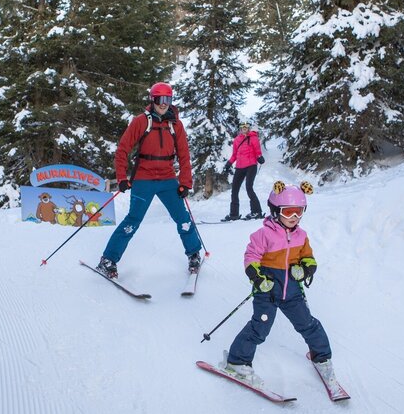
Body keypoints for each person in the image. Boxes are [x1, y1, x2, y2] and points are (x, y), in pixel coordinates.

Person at [221, 181, 337, 387]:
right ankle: (237, 362)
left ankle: (322, 358)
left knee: (308, 324)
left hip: (292, 292)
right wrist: (257, 277)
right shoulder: (264, 234)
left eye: (299, 212)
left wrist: (307, 268)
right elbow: (251, 256)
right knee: (260, 327)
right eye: (289, 212)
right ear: (275, 210)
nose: (294, 218)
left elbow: (309, 257)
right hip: (267, 292)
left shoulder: (302, 236)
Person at [96, 82, 203, 278]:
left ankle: (194, 254)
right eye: (160, 99)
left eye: (168, 100)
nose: (164, 104)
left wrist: (185, 182)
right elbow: (123, 150)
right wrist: (122, 177)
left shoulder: (175, 125)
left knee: (182, 218)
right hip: (143, 179)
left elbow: (184, 155)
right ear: (152, 100)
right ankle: (108, 260)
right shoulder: (141, 121)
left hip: (168, 179)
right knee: (133, 220)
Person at [223, 122, 265, 221]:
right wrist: (229, 163)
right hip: (240, 167)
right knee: (234, 190)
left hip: (251, 165)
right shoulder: (237, 140)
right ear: (240, 129)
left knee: (249, 188)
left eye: (246, 127)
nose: (244, 129)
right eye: (242, 127)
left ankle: (256, 212)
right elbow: (234, 155)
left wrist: (259, 157)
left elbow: (257, 151)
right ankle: (234, 214)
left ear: (248, 128)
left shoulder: (254, 138)